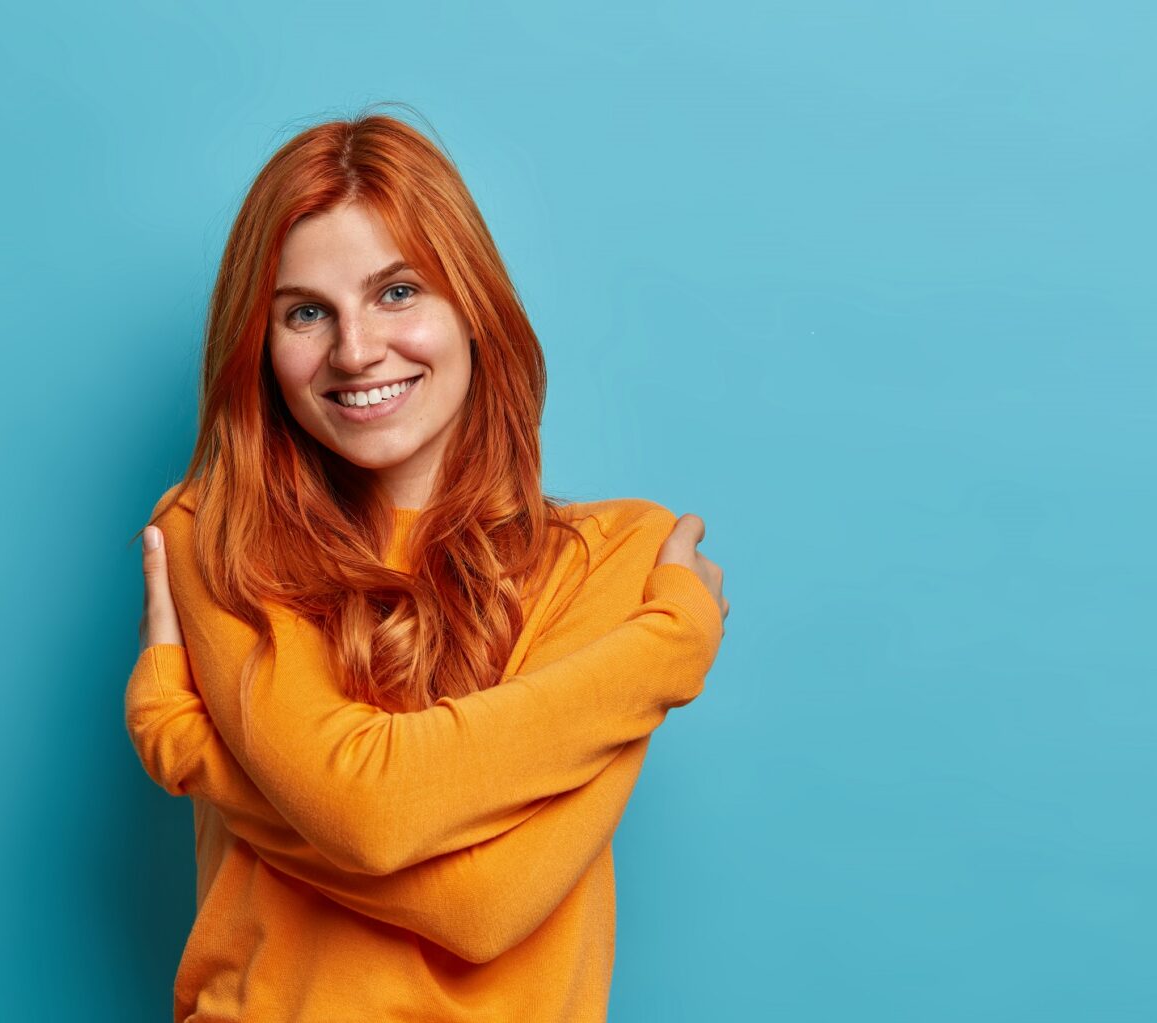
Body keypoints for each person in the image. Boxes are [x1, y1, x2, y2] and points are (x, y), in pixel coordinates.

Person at [123, 105, 730, 1022]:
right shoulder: (217, 527)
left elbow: (482, 905)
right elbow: (371, 816)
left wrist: (192, 745)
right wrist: (666, 652)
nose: (356, 349)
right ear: (262, 344)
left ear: (473, 307)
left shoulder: (619, 559)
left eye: (397, 291)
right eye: (304, 312)